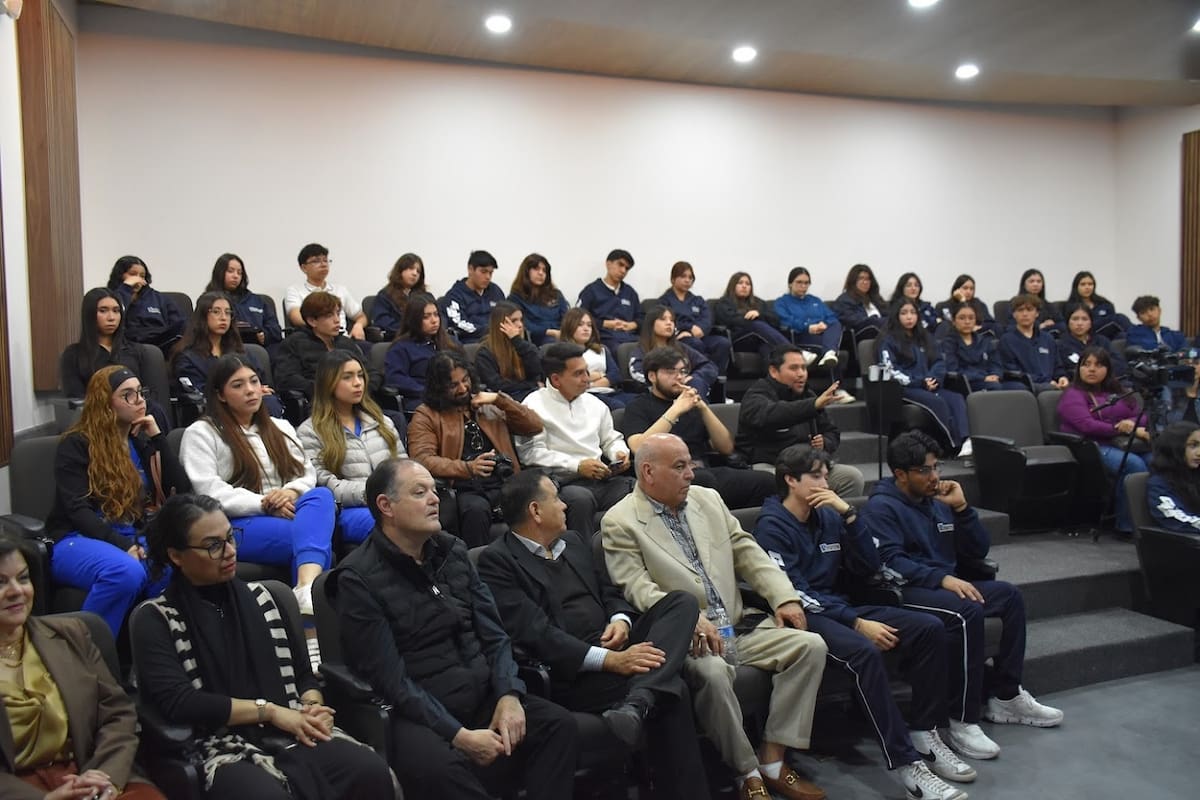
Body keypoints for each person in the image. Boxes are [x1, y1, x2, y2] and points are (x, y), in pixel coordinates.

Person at [334, 458, 579, 799]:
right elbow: (392, 681)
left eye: (435, 491)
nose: (435, 499)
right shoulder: (357, 578)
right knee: (442, 771)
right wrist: (459, 735)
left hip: (482, 695)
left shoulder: (452, 551)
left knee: (558, 725)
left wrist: (509, 695)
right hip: (420, 714)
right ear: (386, 506)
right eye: (420, 492)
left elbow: (495, 635)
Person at [602, 433, 828, 800]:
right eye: (679, 466)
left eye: (690, 463)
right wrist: (688, 617)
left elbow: (748, 553)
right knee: (712, 673)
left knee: (810, 646)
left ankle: (772, 758)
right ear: (647, 471)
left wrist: (784, 597)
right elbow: (636, 587)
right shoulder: (620, 521)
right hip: (692, 638)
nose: (691, 473)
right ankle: (746, 772)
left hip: (741, 623)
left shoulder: (708, 500)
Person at [135, 495, 394, 799]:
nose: (230, 552)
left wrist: (312, 706)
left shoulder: (264, 598)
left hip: (291, 724)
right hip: (217, 744)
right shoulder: (157, 618)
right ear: (176, 556)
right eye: (213, 545)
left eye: (231, 538)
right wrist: (269, 712)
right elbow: (181, 702)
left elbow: (303, 675)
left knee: (368, 769)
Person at [753, 445, 972, 799]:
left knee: (929, 628)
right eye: (816, 476)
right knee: (863, 652)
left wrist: (851, 518)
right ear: (791, 480)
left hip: (843, 606)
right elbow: (791, 593)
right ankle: (907, 765)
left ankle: (924, 732)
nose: (826, 482)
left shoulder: (828, 515)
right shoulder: (772, 525)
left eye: (827, 475)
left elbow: (869, 568)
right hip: (804, 616)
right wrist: (855, 622)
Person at [476, 472, 711, 799]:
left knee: (682, 603)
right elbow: (537, 634)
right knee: (673, 689)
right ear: (535, 511)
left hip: (617, 642)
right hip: (573, 672)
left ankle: (638, 700)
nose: (565, 504)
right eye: (556, 498)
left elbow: (609, 591)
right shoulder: (497, 561)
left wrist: (621, 621)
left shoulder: (572, 541)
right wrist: (611, 661)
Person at [865, 431, 1063, 762]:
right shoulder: (880, 508)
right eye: (925, 471)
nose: (935, 477)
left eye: (936, 468)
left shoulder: (939, 502)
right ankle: (962, 720)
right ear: (900, 474)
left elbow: (977, 551)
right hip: (902, 590)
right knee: (966, 611)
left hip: (941, 584)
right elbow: (890, 562)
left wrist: (962, 510)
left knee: (1009, 596)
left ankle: (1005, 696)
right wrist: (941, 578)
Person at [0, 535, 163, 800]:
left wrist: (104, 775)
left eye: (23, 578)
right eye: (0, 582)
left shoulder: (71, 633)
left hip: (92, 771)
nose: (17, 590)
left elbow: (117, 713)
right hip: (18, 788)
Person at [179, 354, 337, 615]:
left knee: (321, 495)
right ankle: (309, 618)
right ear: (220, 395)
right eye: (238, 385)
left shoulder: (280, 427)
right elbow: (208, 491)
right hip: (235, 524)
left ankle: (305, 589)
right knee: (313, 545)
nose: (250, 390)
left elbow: (306, 473)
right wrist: (265, 504)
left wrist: (288, 492)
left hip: (289, 511)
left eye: (253, 381)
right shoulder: (202, 433)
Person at [45, 366, 190, 635]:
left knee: (176, 563)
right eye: (128, 395)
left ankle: (150, 658)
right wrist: (124, 545)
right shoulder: (76, 443)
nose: (140, 400)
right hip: (76, 538)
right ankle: (82, 655)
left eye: (140, 392)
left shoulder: (138, 442)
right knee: (126, 572)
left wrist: (158, 438)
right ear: (105, 403)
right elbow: (78, 511)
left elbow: (181, 491)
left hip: (129, 535)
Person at [408, 351, 544, 548]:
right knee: (476, 510)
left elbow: (534, 426)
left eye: (466, 380)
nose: (463, 388)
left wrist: (499, 400)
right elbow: (422, 459)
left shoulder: (486, 404)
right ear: (439, 387)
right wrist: (468, 467)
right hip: (466, 486)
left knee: (543, 495)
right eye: (453, 385)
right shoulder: (426, 415)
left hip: (505, 480)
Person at [622, 346, 774, 509]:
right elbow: (639, 447)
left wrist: (703, 408)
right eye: (671, 372)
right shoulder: (638, 406)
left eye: (682, 372)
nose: (679, 377)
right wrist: (675, 410)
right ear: (652, 376)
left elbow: (726, 448)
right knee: (703, 481)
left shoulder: (692, 404)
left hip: (707, 470)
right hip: (670, 477)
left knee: (767, 482)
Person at [517, 343, 633, 536]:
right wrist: (577, 465)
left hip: (601, 479)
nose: (587, 379)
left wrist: (619, 453)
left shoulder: (595, 403)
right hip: (561, 483)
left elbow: (611, 439)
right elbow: (530, 453)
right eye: (578, 374)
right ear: (556, 379)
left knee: (635, 489)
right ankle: (584, 558)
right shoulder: (533, 406)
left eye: (586, 372)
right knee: (580, 499)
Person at [298, 350, 407, 544]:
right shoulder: (310, 431)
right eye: (347, 377)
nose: (358, 383)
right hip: (350, 510)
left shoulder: (381, 421)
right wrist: (373, 494)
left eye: (360, 375)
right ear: (329, 384)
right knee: (391, 526)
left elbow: (403, 466)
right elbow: (325, 485)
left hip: (392, 502)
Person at [736, 345, 864, 496]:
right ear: (773, 371)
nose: (801, 374)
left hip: (808, 464)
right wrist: (813, 405)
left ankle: (830, 518)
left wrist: (825, 442)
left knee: (851, 477)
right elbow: (774, 414)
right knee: (774, 481)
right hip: (770, 464)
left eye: (804, 368)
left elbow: (831, 431)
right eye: (794, 368)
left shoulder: (807, 394)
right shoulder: (756, 394)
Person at [1057, 346, 1149, 534]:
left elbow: (1142, 415)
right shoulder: (1072, 394)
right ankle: (1126, 525)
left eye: (1098, 365)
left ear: (1107, 369)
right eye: (1086, 364)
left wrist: (1131, 423)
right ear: (1079, 368)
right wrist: (1120, 428)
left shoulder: (1118, 390)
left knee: (1156, 461)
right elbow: (1087, 426)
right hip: (1091, 445)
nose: (1091, 369)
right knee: (1134, 465)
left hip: (1123, 443)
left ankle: (1152, 521)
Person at [60, 288, 171, 431]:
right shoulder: (74, 354)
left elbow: (147, 393)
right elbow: (78, 399)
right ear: (90, 315)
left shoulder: (135, 351)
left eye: (116, 310)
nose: (111, 317)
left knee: (155, 410)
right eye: (103, 310)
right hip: (98, 420)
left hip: (137, 416)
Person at [877, 299, 971, 456]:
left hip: (929, 384)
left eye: (913, 313)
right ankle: (952, 445)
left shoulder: (925, 337)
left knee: (956, 398)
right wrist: (920, 382)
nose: (909, 317)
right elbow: (891, 370)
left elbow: (939, 361)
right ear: (896, 316)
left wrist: (934, 378)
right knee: (937, 402)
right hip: (906, 388)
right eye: (904, 313)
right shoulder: (888, 340)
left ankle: (966, 440)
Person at [171, 291, 283, 417]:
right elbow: (198, 393)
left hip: (251, 407)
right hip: (215, 412)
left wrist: (258, 390)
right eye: (216, 312)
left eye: (228, 312)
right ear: (202, 316)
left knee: (270, 402)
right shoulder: (187, 357)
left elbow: (261, 382)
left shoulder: (241, 352)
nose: (223, 317)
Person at [275, 292, 379, 400]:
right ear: (312, 321)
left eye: (338, 314)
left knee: (393, 416)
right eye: (329, 316)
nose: (337, 320)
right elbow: (287, 379)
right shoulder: (294, 343)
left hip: (358, 402)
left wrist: (362, 390)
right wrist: (331, 390)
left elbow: (372, 373)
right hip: (320, 404)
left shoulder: (346, 343)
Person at [384, 292, 463, 413]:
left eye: (436, 315)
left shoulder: (450, 342)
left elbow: (466, 368)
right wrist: (428, 392)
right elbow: (396, 378)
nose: (434, 321)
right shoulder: (401, 347)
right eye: (426, 317)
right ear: (414, 319)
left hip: (455, 394)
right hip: (423, 399)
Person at [629, 305, 719, 400]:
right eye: (663, 319)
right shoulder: (641, 350)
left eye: (672, 320)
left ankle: (695, 412)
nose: (669, 323)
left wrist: (693, 377)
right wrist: (669, 381)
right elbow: (637, 373)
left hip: (684, 388)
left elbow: (709, 366)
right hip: (658, 393)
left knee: (696, 382)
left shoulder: (681, 347)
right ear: (651, 324)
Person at [656, 261, 731, 373]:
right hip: (679, 336)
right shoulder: (664, 301)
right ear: (673, 279)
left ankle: (715, 377)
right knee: (695, 344)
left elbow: (707, 319)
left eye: (690, 277)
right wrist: (689, 328)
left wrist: (699, 329)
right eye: (683, 276)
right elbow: (667, 321)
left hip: (700, 335)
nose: (687, 280)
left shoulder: (698, 300)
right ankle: (699, 375)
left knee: (723, 343)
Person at [283, 243, 367, 340]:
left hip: (342, 339)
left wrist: (358, 326)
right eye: (316, 261)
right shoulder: (295, 290)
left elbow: (361, 316)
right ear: (303, 267)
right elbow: (297, 317)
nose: (323, 264)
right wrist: (325, 327)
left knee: (371, 350)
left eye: (325, 260)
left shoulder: (340, 290)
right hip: (313, 340)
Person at [106, 256, 186, 353]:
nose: (138, 279)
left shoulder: (159, 298)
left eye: (142, 276)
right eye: (133, 274)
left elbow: (180, 324)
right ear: (120, 275)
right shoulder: (110, 297)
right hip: (128, 345)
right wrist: (126, 288)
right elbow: (116, 313)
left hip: (161, 343)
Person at [939, 302, 1023, 392]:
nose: (967, 322)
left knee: (1020, 387)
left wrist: (995, 375)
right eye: (962, 318)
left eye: (971, 318)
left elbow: (995, 364)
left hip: (991, 380)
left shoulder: (985, 340)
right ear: (954, 321)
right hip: (968, 382)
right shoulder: (948, 343)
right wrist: (983, 377)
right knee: (995, 388)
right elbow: (953, 370)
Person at [205, 253, 283, 348]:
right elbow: (199, 328)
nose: (235, 276)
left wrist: (265, 335)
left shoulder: (257, 300)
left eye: (239, 273)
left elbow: (275, 330)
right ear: (220, 272)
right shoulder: (207, 300)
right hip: (223, 348)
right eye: (230, 271)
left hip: (259, 348)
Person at [560, 308, 633, 408]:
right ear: (569, 327)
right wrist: (599, 376)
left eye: (589, 325)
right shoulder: (562, 352)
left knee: (640, 401)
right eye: (580, 324)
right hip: (586, 396)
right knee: (618, 406)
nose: (586, 329)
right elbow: (571, 380)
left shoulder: (601, 349)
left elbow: (615, 375)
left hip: (610, 391)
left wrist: (594, 381)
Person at [998, 294, 1068, 391]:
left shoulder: (1048, 339)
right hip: (1026, 386)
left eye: (1029, 310)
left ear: (1037, 313)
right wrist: (1046, 382)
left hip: (1051, 385)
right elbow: (1013, 372)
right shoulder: (1006, 340)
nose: (1025, 314)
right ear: (1014, 314)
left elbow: (1057, 367)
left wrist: (1062, 377)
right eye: (1020, 310)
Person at [475, 302, 544, 401]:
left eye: (521, 320)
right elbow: (496, 385)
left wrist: (517, 341)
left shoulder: (524, 346)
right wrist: (529, 384)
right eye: (513, 320)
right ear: (500, 325)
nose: (520, 325)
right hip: (505, 399)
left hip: (530, 395)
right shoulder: (485, 353)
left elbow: (537, 370)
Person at [774, 267, 841, 367]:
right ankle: (829, 352)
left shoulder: (815, 300)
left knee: (835, 324)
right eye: (799, 282)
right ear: (790, 284)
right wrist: (808, 327)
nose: (803, 286)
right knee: (830, 346)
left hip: (822, 333)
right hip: (801, 336)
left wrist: (823, 325)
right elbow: (786, 321)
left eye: (806, 283)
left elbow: (831, 317)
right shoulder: (782, 302)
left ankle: (829, 353)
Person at [713, 271, 789, 360]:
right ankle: (794, 352)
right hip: (739, 340)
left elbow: (776, 320)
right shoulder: (724, 302)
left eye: (748, 284)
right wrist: (752, 318)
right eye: (740, 283)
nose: (744, 286)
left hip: (759, 340)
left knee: (767, 349)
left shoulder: (759, 302)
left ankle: (771, 373)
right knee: (757, 325)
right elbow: (730, 320)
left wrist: (759, 315)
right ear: (732, 286)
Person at [577, 248, 641, 349]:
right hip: (604, 338)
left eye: (627, 268)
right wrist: (604, 323)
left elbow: (641, 318)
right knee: (620, 349)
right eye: (620, 265)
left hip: (629, 337)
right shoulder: (591, 290)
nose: (623, 271)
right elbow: (577, 317)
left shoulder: (630, 293)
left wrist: (632, 325)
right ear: (608, 264)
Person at [440, 250, 506, 344]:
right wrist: (489, 330)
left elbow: (506, 315)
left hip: (497, 339)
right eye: (483, 272)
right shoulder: (455, 296)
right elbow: (459, 324)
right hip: (471, 343)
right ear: (470, 269)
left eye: (491, 273)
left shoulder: (495, 291)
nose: (488, 277)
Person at [1147, 421, 1200, 532]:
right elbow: (1175, 518)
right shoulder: (1159, 483)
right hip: (1184, 544)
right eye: (1193, 446)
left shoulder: (1195, 474)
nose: (1199, 452)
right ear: (1175, 447)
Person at [507, 252, 569, 346]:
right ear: (526, 271)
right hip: (536, 339)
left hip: (561, 335)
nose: (541, 273)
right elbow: (523, 325)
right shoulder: (515, 298)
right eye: (536, 269)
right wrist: (549, 332)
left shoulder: (556, 294)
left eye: (544, 270)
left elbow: (567, 318)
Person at [1057, 303, 1127, 379]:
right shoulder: (1060, 345)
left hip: (1107, 382)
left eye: (1084, 319)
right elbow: (1063, 371)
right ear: (1068, 322)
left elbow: (1120, 365)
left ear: (1091, 323)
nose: (1080, 323)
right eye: (1075, 319)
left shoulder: (1102, 341)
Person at [370, 252, 427, 341]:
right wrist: (412, 330)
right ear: (400, 270)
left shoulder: (424, 296)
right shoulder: (385, 296)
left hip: (425, 338)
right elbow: (383, 322)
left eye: (418, 271)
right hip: (399, 339)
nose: (415, 273)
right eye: (411, 268)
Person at [1066, 271, 1129, 339]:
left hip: (1107, 334)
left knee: (1122, 335)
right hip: (1089, 332)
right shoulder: (1071, 305)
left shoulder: (1104, 303)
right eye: (1083, 284)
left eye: (1090, 284)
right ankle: (1137, 334)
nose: (1087, 287)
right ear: (1076, 287)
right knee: (1119, 318)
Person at [831, 263, 887, 339]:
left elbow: (889, 314)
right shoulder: (844, 300)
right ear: (853, 281)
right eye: (861, 279)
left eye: (868, 279)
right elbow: (856, 322)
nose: (865, 282)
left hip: (882, 330)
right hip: (861, 335)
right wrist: (879, 320)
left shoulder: (875, 298)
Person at [1015, 269, 1062, 335]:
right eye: (1031, 281)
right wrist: (1040, 326)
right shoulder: (1016, 304)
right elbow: (1011, 327)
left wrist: (1044, 326)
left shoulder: (1048, 305)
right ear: (1024, 284)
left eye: (1039, 281)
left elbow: (1062, 324)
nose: (1035, 284)